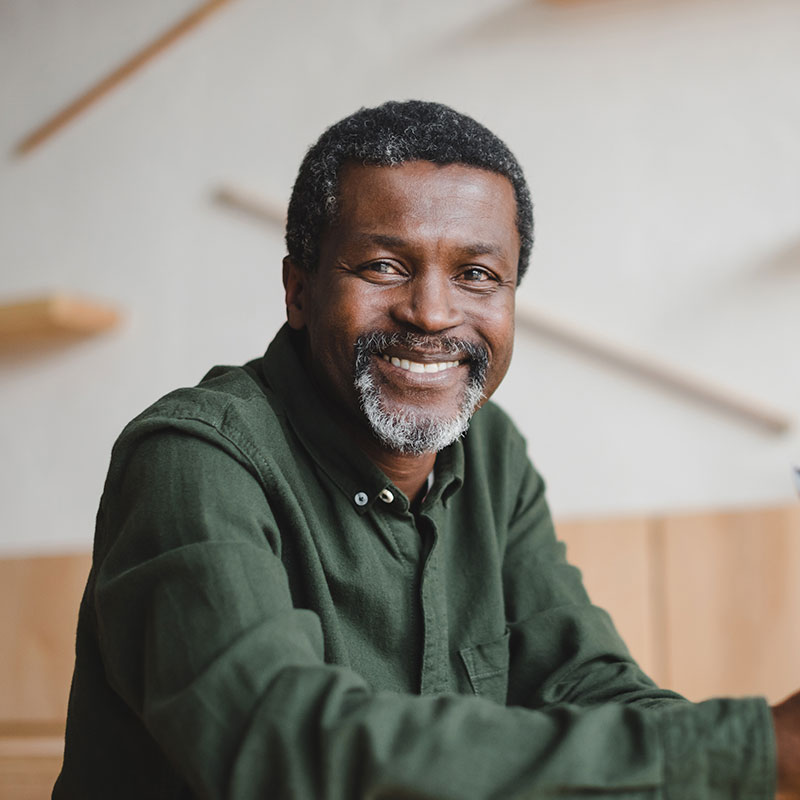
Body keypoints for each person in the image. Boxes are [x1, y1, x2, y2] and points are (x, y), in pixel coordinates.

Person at [54, 100, 799, 799]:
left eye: (477, 275)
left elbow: (585, 683)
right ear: (298, 291)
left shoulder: (490, 451)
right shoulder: (194, 458)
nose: (433, 314)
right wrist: (754, 747)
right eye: (384, 266)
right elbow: (280, 743)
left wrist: (750, 755)